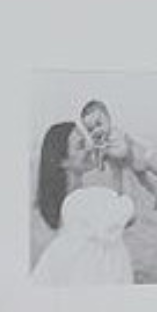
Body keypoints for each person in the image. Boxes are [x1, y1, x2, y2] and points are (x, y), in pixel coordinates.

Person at [31, 122, 137, 285]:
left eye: (86, 141)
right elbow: (129, 214)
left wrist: (118, 170)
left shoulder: (70, 206)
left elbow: (120, 215)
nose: (89, 147)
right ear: (63, 162)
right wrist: (124, 163)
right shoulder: (81, 203)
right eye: (81, 145)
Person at [79, 98, 157, 211]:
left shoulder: (116, 134)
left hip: (143, 158)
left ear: (109, 119)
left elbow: (123, 152)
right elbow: (101, 167)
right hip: (130, 166)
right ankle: (156, 194)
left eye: (99, 124)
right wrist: (98, 155)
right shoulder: (100, 144)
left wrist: (106, 151)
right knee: (142, 182)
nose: (96, 131)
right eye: (90, 130)